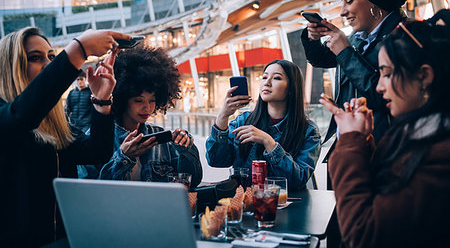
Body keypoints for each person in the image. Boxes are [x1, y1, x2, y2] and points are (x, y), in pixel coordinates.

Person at [321, 20, 450, 248]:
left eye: (387, 74)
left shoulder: (440, 156)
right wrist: (364, 141)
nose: (379, 87)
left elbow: (365, 234)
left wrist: (351, 143)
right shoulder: (411, 133)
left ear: (424, 76)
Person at [0, 27, 131, 247]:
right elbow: (22, 116)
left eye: (52, 56)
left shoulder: (55, 124)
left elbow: (96, 151)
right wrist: (80, 49)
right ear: (9, 67)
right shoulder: (9, 116)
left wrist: (101, 101)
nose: (48, 64)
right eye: (35, 58)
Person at [301, 0, 420, 144]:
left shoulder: (407, 37)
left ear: (374, 0)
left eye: (349, 0)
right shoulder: (357, 40)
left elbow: (387, 96)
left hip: (384, 149)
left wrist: (345, 53)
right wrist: (312, 38)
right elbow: (320, 59)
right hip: (350, 142)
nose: (342, 11)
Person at [95, 47, 203, 188]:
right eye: (139, 101)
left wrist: (186, 149)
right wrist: (123, 158)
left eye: (152, 100)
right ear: (121, 99)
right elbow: (91, 192)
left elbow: (193, 181)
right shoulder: (96, 139)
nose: (147, 108)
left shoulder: (161, 139)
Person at [206, 60, 321, 190]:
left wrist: (269, 142)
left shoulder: (308, 131)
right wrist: (222, 117)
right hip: (245, 203)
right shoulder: (243, 120)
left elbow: (297, 180)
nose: (267, 82)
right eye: (264, 77)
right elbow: (216, 161)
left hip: (284, 205)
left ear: (291, 88)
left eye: (276, 78)